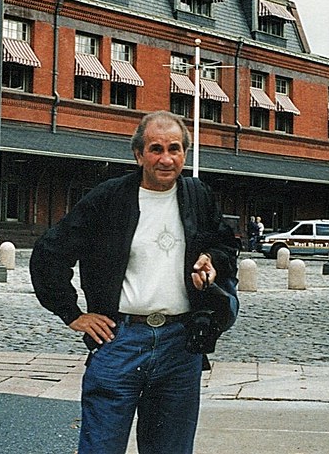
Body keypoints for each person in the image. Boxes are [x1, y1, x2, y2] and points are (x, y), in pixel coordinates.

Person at [30, 111, 239, 454]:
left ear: (185, 153)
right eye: (156, 149)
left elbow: (226, 245)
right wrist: (72, 314)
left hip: (180, 345)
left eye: (174, 149)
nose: (166, 159)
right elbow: (50, 252)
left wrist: (211, 260)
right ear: (139, 155)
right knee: (101, 447)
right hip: (121, 341)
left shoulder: (197, 196)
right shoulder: (109, 197)